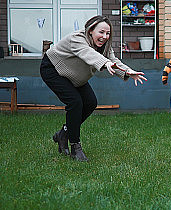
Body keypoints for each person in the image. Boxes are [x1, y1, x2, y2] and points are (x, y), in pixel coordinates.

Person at [40, 15, 147, 161]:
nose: (104, 36)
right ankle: (75, 147)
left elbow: (113, 60)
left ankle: (63, 133)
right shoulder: (77, 38)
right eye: (101, 32)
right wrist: (105, 63)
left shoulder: (104, 46)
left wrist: (128, 71)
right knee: (75, 102)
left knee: (90, 103)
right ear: (91, 31)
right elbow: (87, 53)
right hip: (53, 69)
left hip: (73, 74)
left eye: (107, 33)